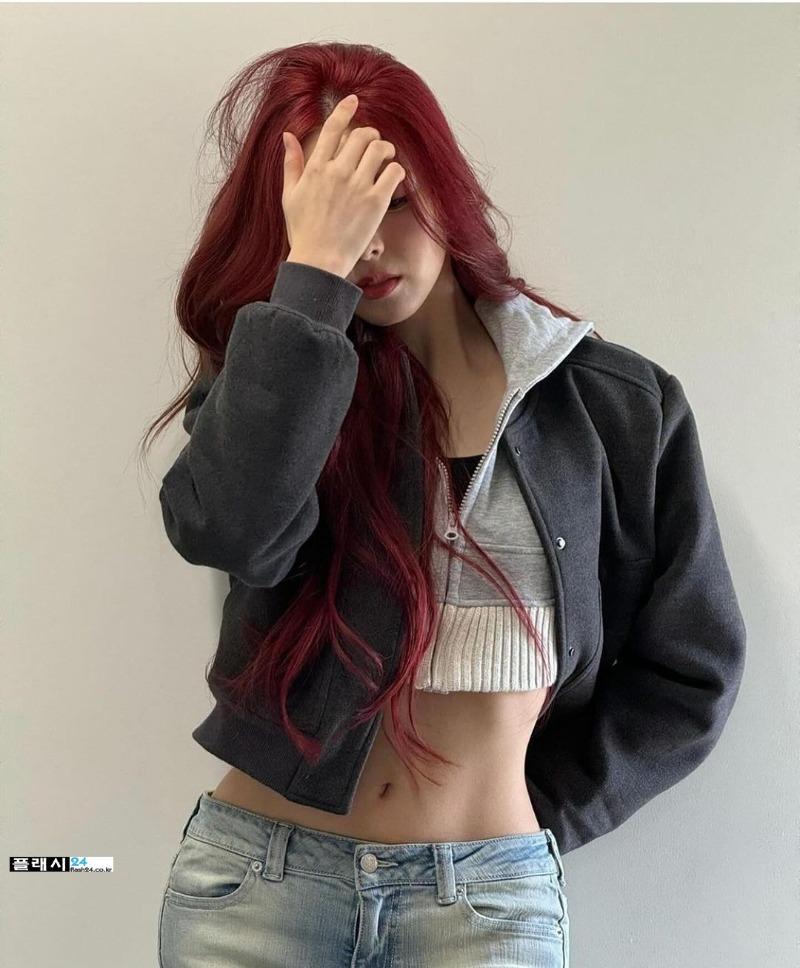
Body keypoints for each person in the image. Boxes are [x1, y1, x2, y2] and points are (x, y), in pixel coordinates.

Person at [143, 42, 746, 968]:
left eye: (390, 200)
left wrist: (534, 823)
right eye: (336, 221)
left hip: (486, 906)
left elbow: (690, 669)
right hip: (258, 889)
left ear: (443, 184)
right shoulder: (277, 376)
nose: (369, 247)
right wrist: (311, 283)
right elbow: (229, 532)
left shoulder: (612, 406)